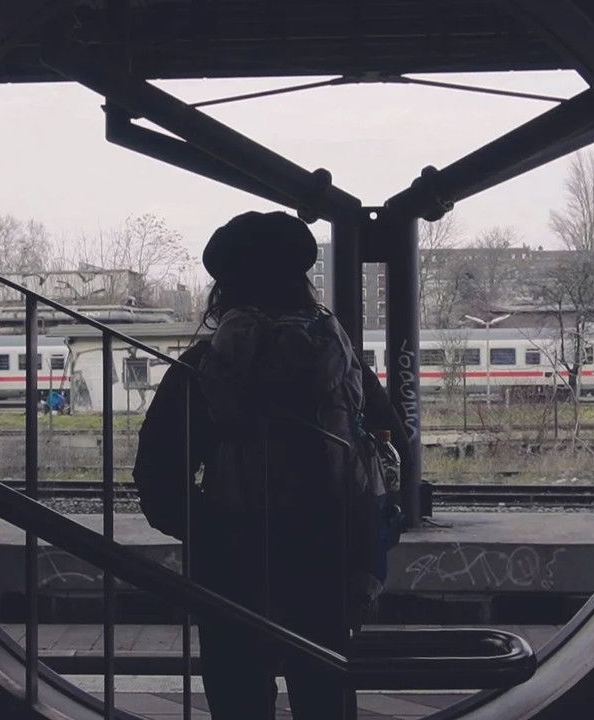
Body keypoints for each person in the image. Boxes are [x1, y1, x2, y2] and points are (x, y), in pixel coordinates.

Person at [133, 211, 407, 719]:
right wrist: (365, 533)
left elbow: (157, 479)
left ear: (224, 292)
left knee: (239, 699)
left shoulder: (204, 366)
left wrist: (212, 531)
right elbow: (396, 454)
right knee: (325, 695)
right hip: (329, 562)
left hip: (232, 571)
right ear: (301, 284)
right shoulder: (341, 361)